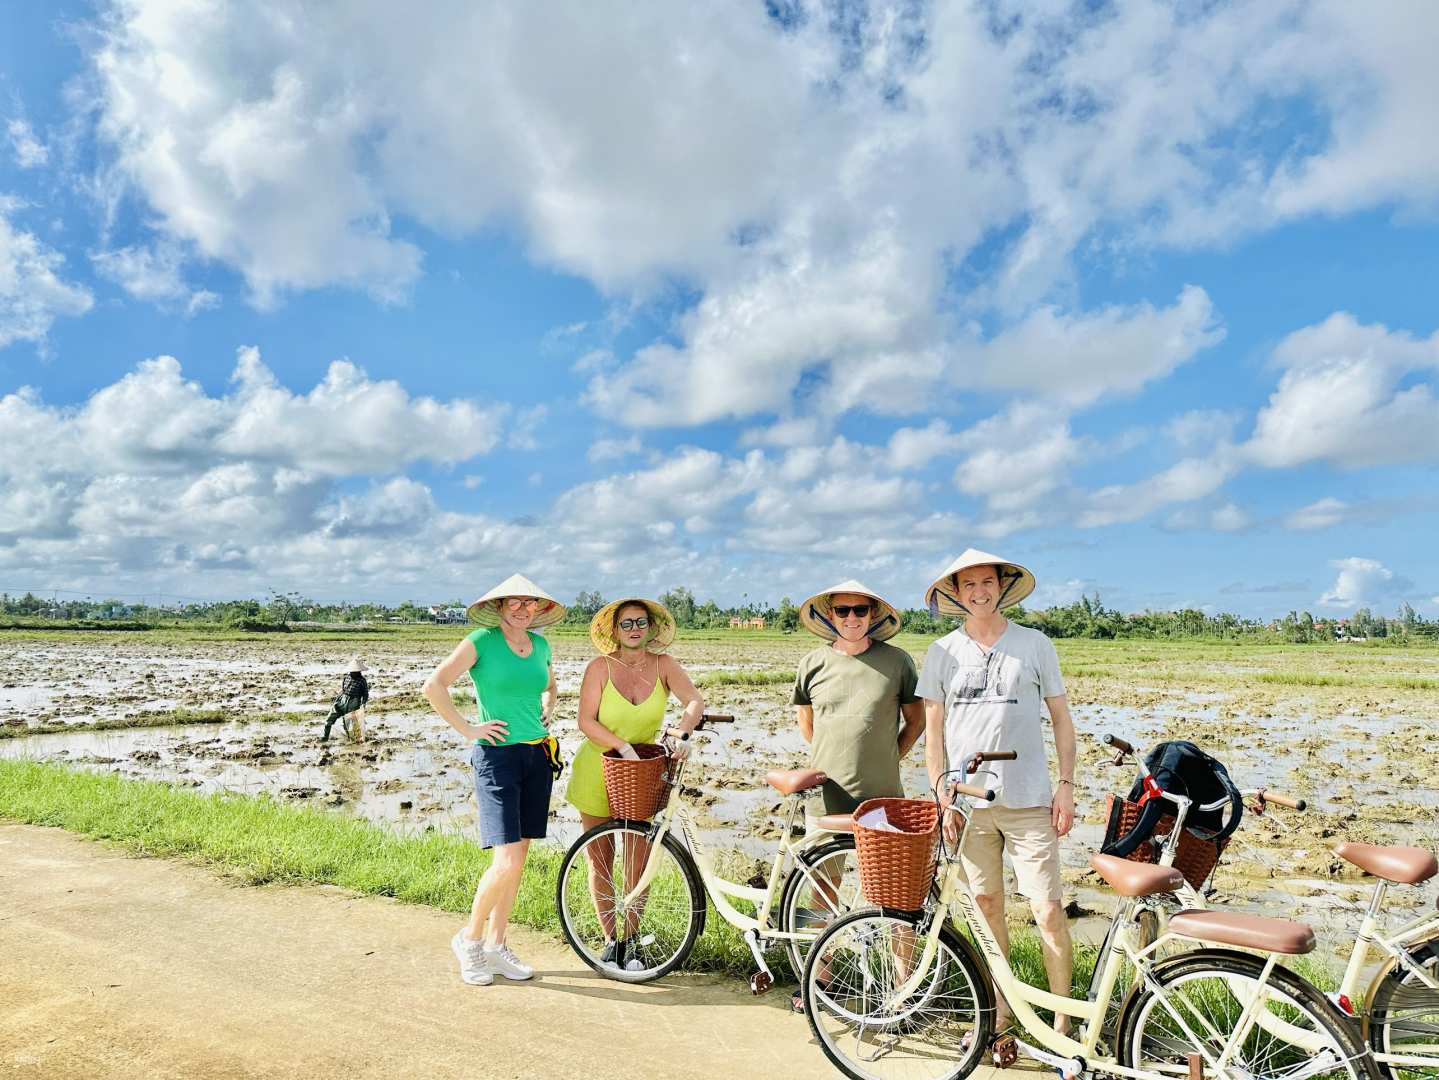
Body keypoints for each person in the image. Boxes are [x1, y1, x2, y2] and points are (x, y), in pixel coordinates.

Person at [917, 549, 1077, 1037]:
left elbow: (1062, 720)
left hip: (1029, 799)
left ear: (1001, 588)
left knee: (1047, 910)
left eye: (988, 583)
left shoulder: (1034, 645)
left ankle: (1064, 1027)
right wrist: (942, 794)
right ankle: (1000, 1017)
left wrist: (1066, 787)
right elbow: (934, 732)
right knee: (986, 911)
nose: (979, 592)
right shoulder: (942, 652)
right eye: (969, 586)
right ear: (956, 594)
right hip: (968, 803)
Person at [422, 573, 564, 988]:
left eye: (529, 603)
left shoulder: (540, 645)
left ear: (538, 608)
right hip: (497, 758)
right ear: (499, 607)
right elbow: (435, 685)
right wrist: (469, 729)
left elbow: (551, 686)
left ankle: (498, 946)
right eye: (513, 603)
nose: (522, 608)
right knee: (504, 861)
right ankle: (470, 940)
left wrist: (549, 707)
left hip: (537, 755)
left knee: (518, 860)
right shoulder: (481, 641)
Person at [791, 579, 924, 1010]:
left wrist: (889, 757)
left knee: (892, 892)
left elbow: (916, 722)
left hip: (882, 796)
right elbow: (807, 722)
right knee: (821, 885)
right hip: (826, 793)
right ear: (830, 615)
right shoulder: (812, 663)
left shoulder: (898, 663)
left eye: (860, 611)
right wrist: (830, 761)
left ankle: (901, 985)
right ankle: (820, 972)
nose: (851, 618)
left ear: (874, 615)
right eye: (843, 611)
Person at [566, 598, 704, 969]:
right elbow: (586, 721)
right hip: (597, 770)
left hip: (640, 773)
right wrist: (622, 746)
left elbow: (693, 700)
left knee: (638, 861)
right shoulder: (599, 668)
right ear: (614, 630)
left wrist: (681, 730)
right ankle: (612, 940)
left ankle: (632, 942)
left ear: (651, 628)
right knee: (602, 859)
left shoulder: (664, 665)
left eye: (640, 623)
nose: (633, 630)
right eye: (626, 624)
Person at [321, 657, 369, 742]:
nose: (354, 673)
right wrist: (337, 699)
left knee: (348, 723)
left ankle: (351, 739)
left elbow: (365, 694)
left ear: (359, 671)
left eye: (356, 671)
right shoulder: (346, 677)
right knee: (330, 718)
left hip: (354, 702)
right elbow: (343, 689)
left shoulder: (362, 681)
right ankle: (325, 737)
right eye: (353, 671)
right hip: (342, 700)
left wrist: (363, 704)